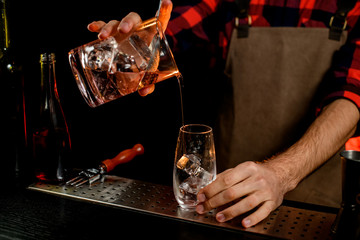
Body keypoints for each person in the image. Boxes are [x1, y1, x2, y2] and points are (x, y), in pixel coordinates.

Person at [87, 0, 360, 228]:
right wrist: (135, 47)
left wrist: (281, 175)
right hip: (225, 206)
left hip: (316, 214)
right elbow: (167, 37)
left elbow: (350, 100)